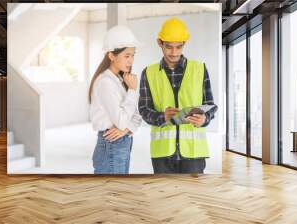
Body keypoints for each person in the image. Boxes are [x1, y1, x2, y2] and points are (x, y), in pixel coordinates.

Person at [138, 17, 218, 175]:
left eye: (179, 47)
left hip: (194, 154)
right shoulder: (149, 73)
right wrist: (162, 117)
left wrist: (204, 119)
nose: (174, 53)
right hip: (162, 156)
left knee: (193, 198)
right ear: (159, 43)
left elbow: (210, 105)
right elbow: (143, 110)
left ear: (184, 44)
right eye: (168, 47)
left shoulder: (199, 69)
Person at [89, 25, 142, 174]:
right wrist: (132, 90)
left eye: (133, 55)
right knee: (111, 194)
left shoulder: (120, 79)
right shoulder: (105, 82)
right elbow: (121, 120)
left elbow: (137, 116)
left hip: (121, 142)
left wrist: (126, 130)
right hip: (111, 144)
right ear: (111, 56)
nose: (131, 61)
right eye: (127, 56)